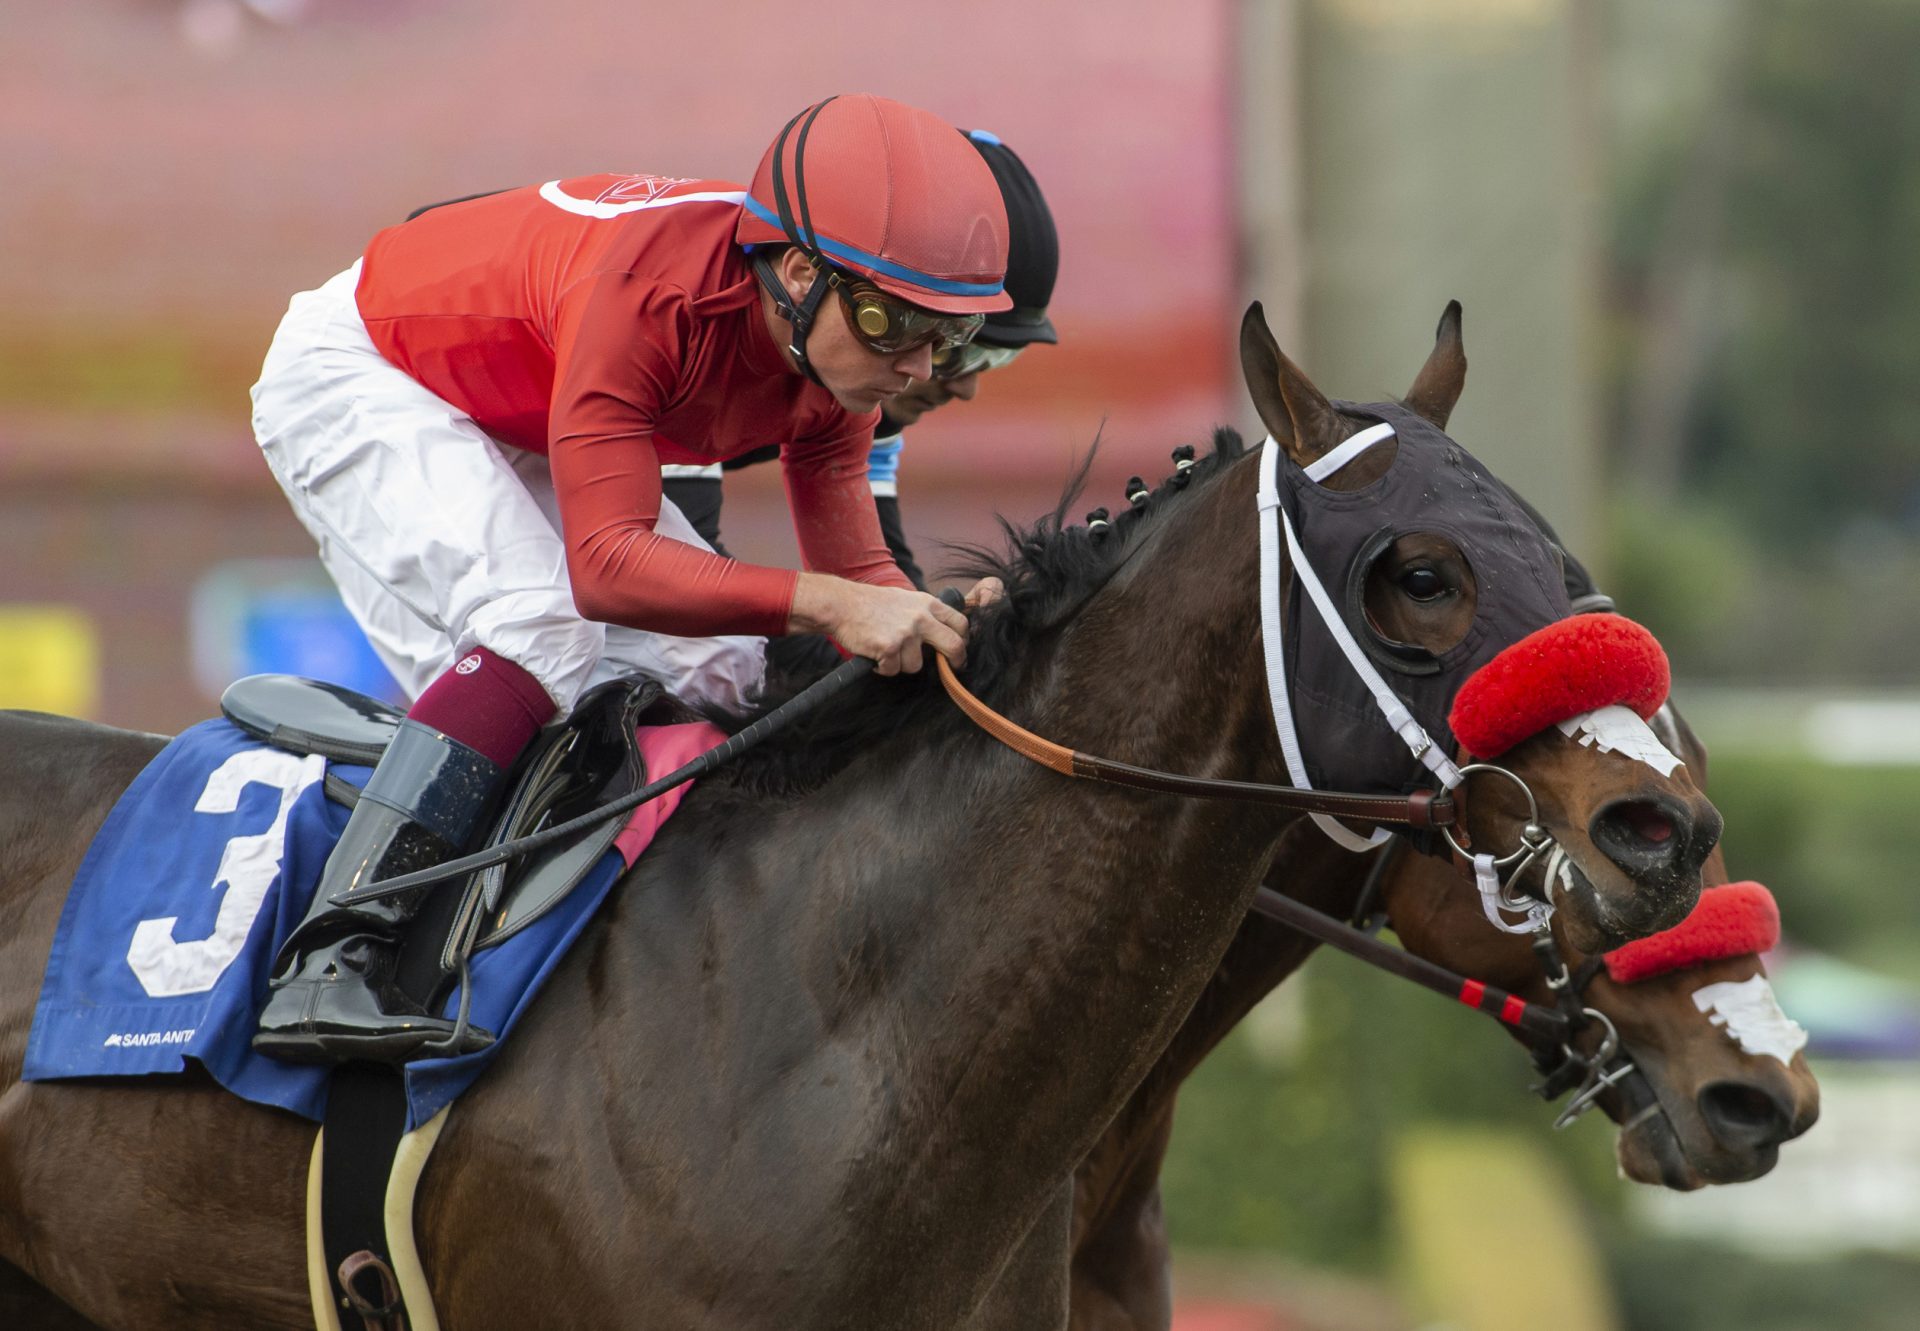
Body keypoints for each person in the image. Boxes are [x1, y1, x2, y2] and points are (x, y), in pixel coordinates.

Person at [247, 94, 1011, 1064]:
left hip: (511, 405)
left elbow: (855, 576)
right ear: (801, 271)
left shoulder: (835, 364)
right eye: (889, 322)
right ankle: (334, 952)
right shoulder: (653, 294)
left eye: (943, 336)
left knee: (728, 666)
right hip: (363, 369)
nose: (914, 366)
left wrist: (937, 619)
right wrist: (836, 603)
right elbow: (607, 568)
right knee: (539, 629)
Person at [663, 130, 1058, 616]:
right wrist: (850, 622)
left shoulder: (862, 394)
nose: (965, 387)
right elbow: (679, 583)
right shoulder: (706, 325)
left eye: (984, 356)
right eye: (953, 353)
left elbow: (880, 589)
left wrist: (953, 637)